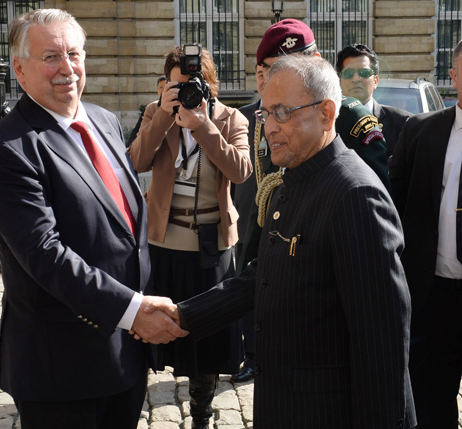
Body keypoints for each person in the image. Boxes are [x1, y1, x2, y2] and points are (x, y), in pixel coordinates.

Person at [147, 54, 416, 428]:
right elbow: (263, 277)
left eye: (283, 113)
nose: (269, 127)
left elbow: (382, 346)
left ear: (326, 113)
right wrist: (182, 315)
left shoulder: (354, 195)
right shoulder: (294, 179)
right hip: (282, 405)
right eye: (266, 114)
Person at [0, 9, 187, 429]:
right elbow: (45, 255)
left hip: (126, 351)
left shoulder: (104, 121)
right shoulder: (6, 148)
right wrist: (132, 310)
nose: (67, 68)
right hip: (62, 368)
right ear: (19, 68)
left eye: (74, 54)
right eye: (50, 57)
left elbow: (125, 228)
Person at [128, 45, 251, 428]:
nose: (184, 92)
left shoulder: (230, 119)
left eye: (191, 85)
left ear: (210, 84)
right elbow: (134, 161)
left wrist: (203, 126)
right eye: (175, 85)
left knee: (207, 337)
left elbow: (242, 170)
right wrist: (164, 115)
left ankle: (201, 413)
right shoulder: (156, 113)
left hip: (211, 244)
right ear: (164, 85)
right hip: (162, 240)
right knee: (151, 328)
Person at [389, 39, 462, 429]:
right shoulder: (420, 132)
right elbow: (394, 208)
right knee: (435, 393)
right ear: (453, 77)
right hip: (435, 290)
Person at [257, 19, 391, 192]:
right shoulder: (268, 118)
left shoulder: (352, 119)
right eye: (270, 68)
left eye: (287, 67)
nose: (273, 77)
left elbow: (372, 195)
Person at [231, 58, 275, 384]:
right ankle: (251, 358)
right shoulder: (242, 116)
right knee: (247, 286)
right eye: (260, 74)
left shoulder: (289, 114)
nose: (264, 79)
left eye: (270, 73)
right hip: (247, 215)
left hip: (283, 215)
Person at [336, 43, 411, 157]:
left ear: (376, 81)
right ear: (339, 80)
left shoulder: (403, 124)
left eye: (364, 73)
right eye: (349, 73)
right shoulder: (327, 124)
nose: (356, 79)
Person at [127, 76, 166, 146]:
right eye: (161, 87)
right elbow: (137, 131)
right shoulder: (150, 108)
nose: (163, 90)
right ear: (157, 90)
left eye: (166, 87)